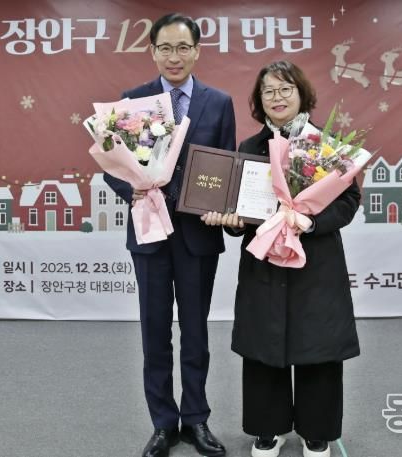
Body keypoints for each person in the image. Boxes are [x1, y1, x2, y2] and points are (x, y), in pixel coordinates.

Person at [203, 60, 360, 457]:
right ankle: (267, 429)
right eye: (268, 91)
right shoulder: (248, 149)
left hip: (315, 260)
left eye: (285, 88)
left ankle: (316, 431)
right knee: (264, 343)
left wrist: (311, 222)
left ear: (301, 94)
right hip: (265, 264)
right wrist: (232, 222)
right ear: (259, 100)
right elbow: (239, 211)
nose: (277, 97)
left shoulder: (324, 144)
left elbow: (348, 201)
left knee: (318, 343)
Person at [103, 13, 236, 457]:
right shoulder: (133, 101)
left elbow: (226, 166)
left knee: (195, 332)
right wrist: (136, 190)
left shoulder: (219, 103)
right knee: (154, 332)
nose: (174, 56)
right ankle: (163, 424)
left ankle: (196, 419)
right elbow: (112, 169)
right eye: (165, 48)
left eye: (182, 48)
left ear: (197, 51)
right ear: (153, 51)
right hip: (149, 232)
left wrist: (223, 206)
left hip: (198, 235)